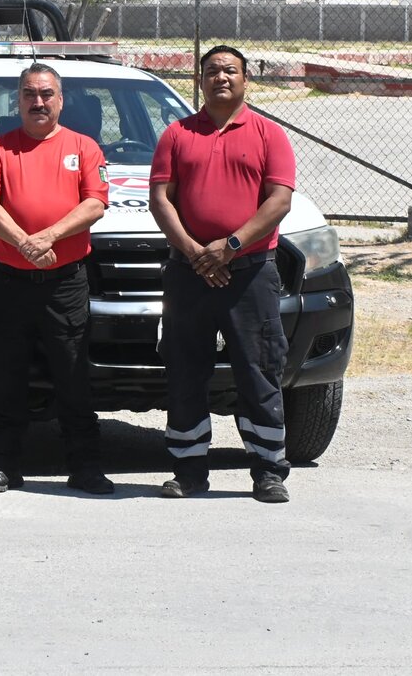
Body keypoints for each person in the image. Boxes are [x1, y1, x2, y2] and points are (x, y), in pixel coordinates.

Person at [149, 44, 296, 503]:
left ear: (245, 79)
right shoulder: (176, 134)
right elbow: (160, 199)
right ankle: (189, 471)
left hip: (250, 274)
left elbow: (279, 201)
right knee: (186, 371)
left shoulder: (270, 135)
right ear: (200, 81)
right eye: (211, 71)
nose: (221, 78)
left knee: (258, 371)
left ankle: (268, 470)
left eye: (229, 71)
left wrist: (230, 248)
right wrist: (196, 252)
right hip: (188, 273)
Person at [0, 63, 112, 496]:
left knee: (73, 377)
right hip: (11, 282)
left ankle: (85, 467)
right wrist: (26, 245)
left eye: (47, 94)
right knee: (6, 377)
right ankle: (2, 466)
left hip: (65, 283)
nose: (38, 102)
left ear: (61, 99)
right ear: (18, 100)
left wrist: (47, 236)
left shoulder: (84, 148)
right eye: (30, 94)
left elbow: (95, 205)